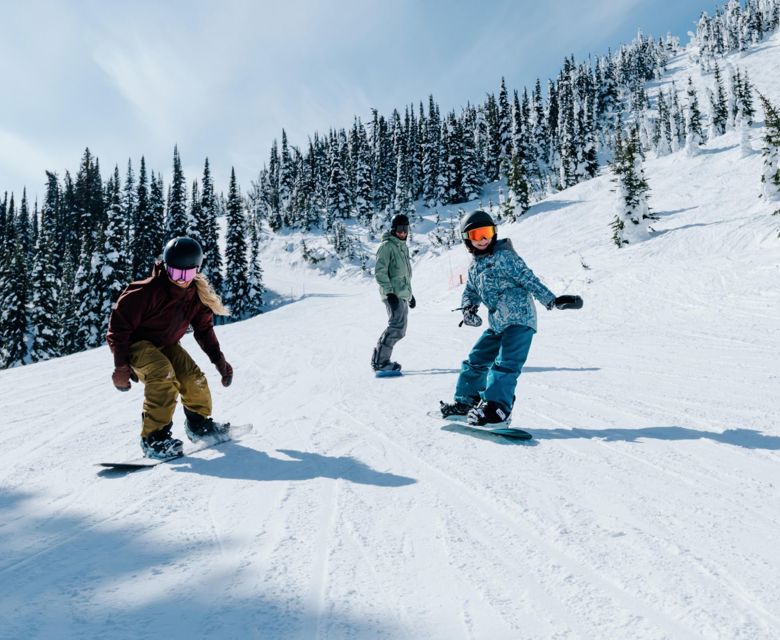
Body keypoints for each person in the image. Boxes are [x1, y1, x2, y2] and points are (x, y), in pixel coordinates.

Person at [440, 210, 582, 426]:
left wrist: (552, 300)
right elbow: (470, 291)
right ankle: (467, 402)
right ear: (467, 240)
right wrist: (468, 308)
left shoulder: (505, 256)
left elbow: (528, 279)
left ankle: (498, 410)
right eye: (477, 235)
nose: (483, 239)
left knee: (506, 364)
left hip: (520, 320)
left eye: (487, 233)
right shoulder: (474, 267)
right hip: (498, 323)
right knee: (476, 359)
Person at [107, 237, 234, 459]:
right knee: (162, 373)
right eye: (176, 274)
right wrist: (120, 367)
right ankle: (154, 439)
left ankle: (199, 425)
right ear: (166, 268)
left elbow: (204, 330)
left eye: (188, 274)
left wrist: (220, 362)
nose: (182, 280)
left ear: (197, 270)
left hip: (166, 344)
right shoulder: (144, 292)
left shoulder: (195, 296)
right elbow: (118, 329)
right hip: (136, 345)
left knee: (193, 378)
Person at [371, 213, 416, 373]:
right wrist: (389, 293)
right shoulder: (387, 247)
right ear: (393, 229)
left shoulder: (402, 247)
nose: (403, 233)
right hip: (393, 295)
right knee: (396, 327)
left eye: (405, 229)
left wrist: (410, 296)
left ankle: (379, 360)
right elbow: (380, 272)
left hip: (402, 295)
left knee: (400, 330)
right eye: (399, 229)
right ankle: (380, 363)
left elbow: (403, 275)